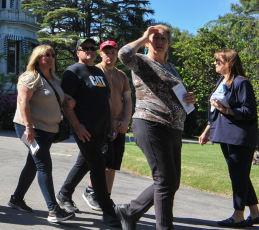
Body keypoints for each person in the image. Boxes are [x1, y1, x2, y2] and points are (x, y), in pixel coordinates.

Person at [114, 25, 196, 230]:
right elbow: (123, 54)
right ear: (148, 41)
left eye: (163, 39)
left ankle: (130, 212)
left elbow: (176, 93)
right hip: (151, 123)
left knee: (171, 181)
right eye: (155, 38)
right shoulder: (141, 61)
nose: (159, 42)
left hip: (174, 128)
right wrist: (143, 37)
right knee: (165, 180)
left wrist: (189, 98)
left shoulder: (171, 67)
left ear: (168, 43)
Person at [7, 45, 76, 223]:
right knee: (44, 164)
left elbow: (56, 98)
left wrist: (68, 100)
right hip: (30, 128)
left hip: (48, 129)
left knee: (33, 163)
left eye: (53, 55)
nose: (51, 57)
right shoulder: (30, 77)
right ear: (38, 58)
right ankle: (53, 209)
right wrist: (29, 127)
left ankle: (16, 199)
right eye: (47, 54)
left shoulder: (53, 79)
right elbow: (23, 101)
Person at [56, 38, 121, 228]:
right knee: (98, 167)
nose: (89, 51)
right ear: (78, 51)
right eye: (85, 49)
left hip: (102, 128)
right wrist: (76, 125)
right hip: (85, 129)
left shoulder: (98, 71)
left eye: (92, 48)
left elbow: (106, 100)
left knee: (84, 163)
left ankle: (64, 194)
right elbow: (66, 102)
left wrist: (110, 124)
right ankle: (108, 211)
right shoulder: (72, 72)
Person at [199, 50, 259, 227]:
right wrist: (207, 130)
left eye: (218, 60)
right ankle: (255, 213)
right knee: (240, 175)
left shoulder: (241, 83)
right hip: (224, 134)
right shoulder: (221, 82)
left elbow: (249, 112)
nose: (215, 63)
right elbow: (216, 109)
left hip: (239, 136)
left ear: (229, 63)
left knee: (238, 176)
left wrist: (226, 110)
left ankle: (238, 215)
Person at [77, 41, 133, 212]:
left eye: (113, 52)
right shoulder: (96, 72)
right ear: (101, 54)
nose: (110, 55)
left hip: (119, 124)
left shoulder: (122, 75)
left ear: (117, 55)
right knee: (98, 160)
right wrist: (108, 122)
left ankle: (106, 197)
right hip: (101, 125)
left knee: (113, 163)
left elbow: (128, 100)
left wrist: (125, 121)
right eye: (106, 52)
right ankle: (92, 191)